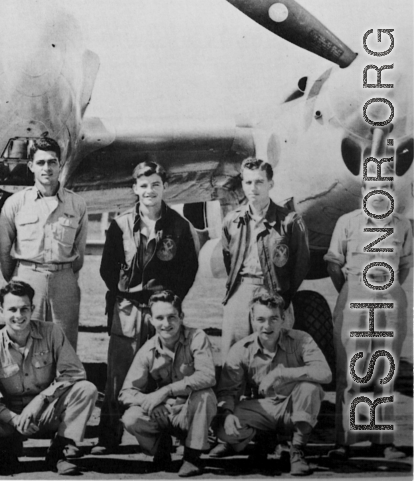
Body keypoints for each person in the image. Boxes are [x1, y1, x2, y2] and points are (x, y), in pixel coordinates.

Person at [94, 161, 199, 454]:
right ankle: (108, 437)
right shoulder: (121, 224)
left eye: (155, 184)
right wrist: (124, 294)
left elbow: (188, 268)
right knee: (119, 375)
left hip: (162, 311)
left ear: (164, 187)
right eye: (143, 185)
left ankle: (164, 433)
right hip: (128, 309)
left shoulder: (178, 226)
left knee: (164, 372)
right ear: (134, 189)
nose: (149, 191)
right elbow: (108, 268)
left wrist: (169, 303)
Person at [0, 280, 98, 476]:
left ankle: (58, 452)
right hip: (11, 415)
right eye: (12, 309)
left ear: (32, 308)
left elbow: (74, 372)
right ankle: (5, 447)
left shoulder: (52, 332)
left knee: (86, 389)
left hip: (46, 411)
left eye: (24, 309)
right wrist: (13, 419)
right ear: (1, 310)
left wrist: (42, 399)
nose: (18, 316)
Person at [324, 179, 411, 460]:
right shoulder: (346, 222)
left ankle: (383, 442)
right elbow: (333, 262)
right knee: (350, 372)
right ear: (362, 192)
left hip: (389, 299)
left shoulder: (403, 225)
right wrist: (352, 291)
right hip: (353, 295)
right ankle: (344, 441)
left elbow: (405, 265)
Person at [214, 291, 332, 476]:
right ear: (252, 319)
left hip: (293, 405)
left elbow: (325, 374)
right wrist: (228, 415)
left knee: (310, 389)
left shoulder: (301, 339)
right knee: (222, 426)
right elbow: (228, 391)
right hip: (264, 409)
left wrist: (281, 373)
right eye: (260, 319)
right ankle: (265, 440)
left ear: (283, 318)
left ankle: (297, 452)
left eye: (273, 319)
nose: (267, 326)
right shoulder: (241, 349)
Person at [0, 137, 88, 349]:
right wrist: (21, 280)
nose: (46, 168)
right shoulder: (15, 204)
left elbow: (79, 252)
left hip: (63, 280)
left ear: (60, 164)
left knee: (64, 344)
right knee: (25, 341)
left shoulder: (77, 204)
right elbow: (4, 252)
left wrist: (64, 275)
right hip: (28, 277)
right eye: (40, 163)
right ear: (30, 166)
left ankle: (64, 382)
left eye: (52, 162)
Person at [118, 290, 216, 477]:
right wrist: (150, 400)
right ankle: (161, 451)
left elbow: (208, 376)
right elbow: (126, 392)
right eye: (160, 318)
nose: (166, 324)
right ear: (151, 320)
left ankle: (192, 458)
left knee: (205, 395)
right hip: (164, 412)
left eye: (172, 317)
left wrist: (165, 391)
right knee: (131, 417)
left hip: (190, 411)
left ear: (181, 317)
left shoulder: (197, 337)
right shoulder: (147, 350)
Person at [220, 157, 310, 358]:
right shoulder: (232, 221)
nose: (253, 188)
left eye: (259, 182)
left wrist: (283, 296)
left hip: (275, 293)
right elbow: (228, 258)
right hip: (241, 290)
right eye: (248, 182)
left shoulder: (290, 221)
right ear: (242, 184)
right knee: (234, 358)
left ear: (271, 184)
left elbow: (301, 265)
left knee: (275, 359)